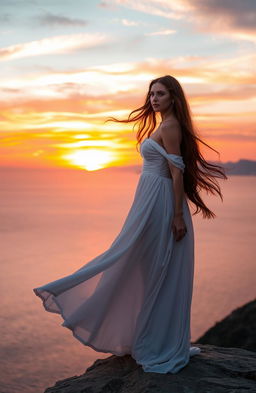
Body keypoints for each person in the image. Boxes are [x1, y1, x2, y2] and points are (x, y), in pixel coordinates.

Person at [33, 75, 227, 374]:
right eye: (151, 94)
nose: (153, 99)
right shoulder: (161, 126)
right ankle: (141, 334)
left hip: (162, 207)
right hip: (149, 204)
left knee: (137, 262)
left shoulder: (171, 126)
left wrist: (176, 216)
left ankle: (153, 340)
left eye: (160, 94)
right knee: (138, 264)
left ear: (173, 97)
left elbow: (177, 173)